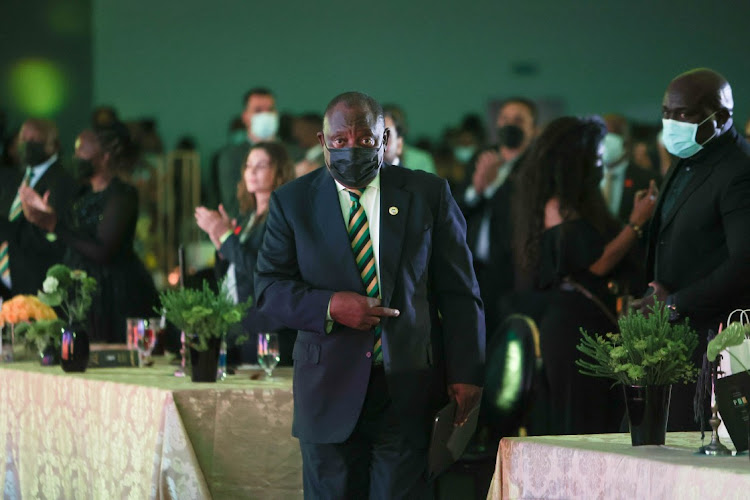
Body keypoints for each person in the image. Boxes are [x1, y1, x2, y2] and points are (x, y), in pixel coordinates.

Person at [254, 91, 485, 498]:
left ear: (385, 138)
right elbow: (268, 289)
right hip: (327, 391)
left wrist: (467, 371)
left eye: (364, 139)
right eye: (340, 141)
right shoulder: (293, 203)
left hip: (408, 388)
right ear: (324, 143)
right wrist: (328, 305)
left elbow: (460, 292)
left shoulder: (427, 194)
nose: (351, 148)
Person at [510, 115, 657, 435]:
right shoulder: (556, 206)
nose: (600, 164)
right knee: (579, 419)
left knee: (600, 417)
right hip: (571, 330)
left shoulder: (578, 205)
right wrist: (635, 223)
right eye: (596, 157)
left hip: (591, 324)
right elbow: (598, 263)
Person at [637, 68, 750, 430]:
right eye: (666, 112)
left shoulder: (739, 169)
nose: (671, 122)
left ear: (721, 117)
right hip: (671, 335)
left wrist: (675, 303)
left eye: (683, 113)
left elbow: (744, 263)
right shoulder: (688, 156)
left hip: (713, 340)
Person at [19, 123, 159, 343]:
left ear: (104, 157)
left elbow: (103, 251)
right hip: (81, 291)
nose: (76, 157)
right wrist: (45, 216)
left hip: (112, 294)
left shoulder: (121, 195)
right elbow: (72, 235)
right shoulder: (81, 193)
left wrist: (55, 225)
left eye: (82, 151)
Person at [195, 142, 295, 365]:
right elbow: (230, 271)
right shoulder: (246, 217)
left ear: (279, 171)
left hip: (268, 331)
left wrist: (225, 237)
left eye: (261, 166)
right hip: (240, 325)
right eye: (248, 165)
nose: (252, 171)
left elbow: (263, 272)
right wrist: (221, 244)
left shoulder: (282, 219)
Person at [460, 97, 539, 335]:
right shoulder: (482, 158)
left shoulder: (537, 165)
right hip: (474, 267)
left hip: (512, 270)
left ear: (533, 128)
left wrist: (492, 187)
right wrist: (477, 189)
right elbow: (459, 207)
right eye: (504, 119)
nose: (509, 124)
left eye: (518, 120)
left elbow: (523, 212)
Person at [0, 118, 75, 300]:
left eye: (35, 140)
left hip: (37, 285)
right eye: (23, 139)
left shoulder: (64, 181)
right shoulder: (13, 179)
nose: (26, 144)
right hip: (7, 285)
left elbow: (54, 236)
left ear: (53, 145)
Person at [215, 88, 279, 218]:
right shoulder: (231, 156)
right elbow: (232, 205)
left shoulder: (295, 154)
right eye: (258, 111)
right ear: (245, 117)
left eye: (270, 110)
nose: (265, 116)